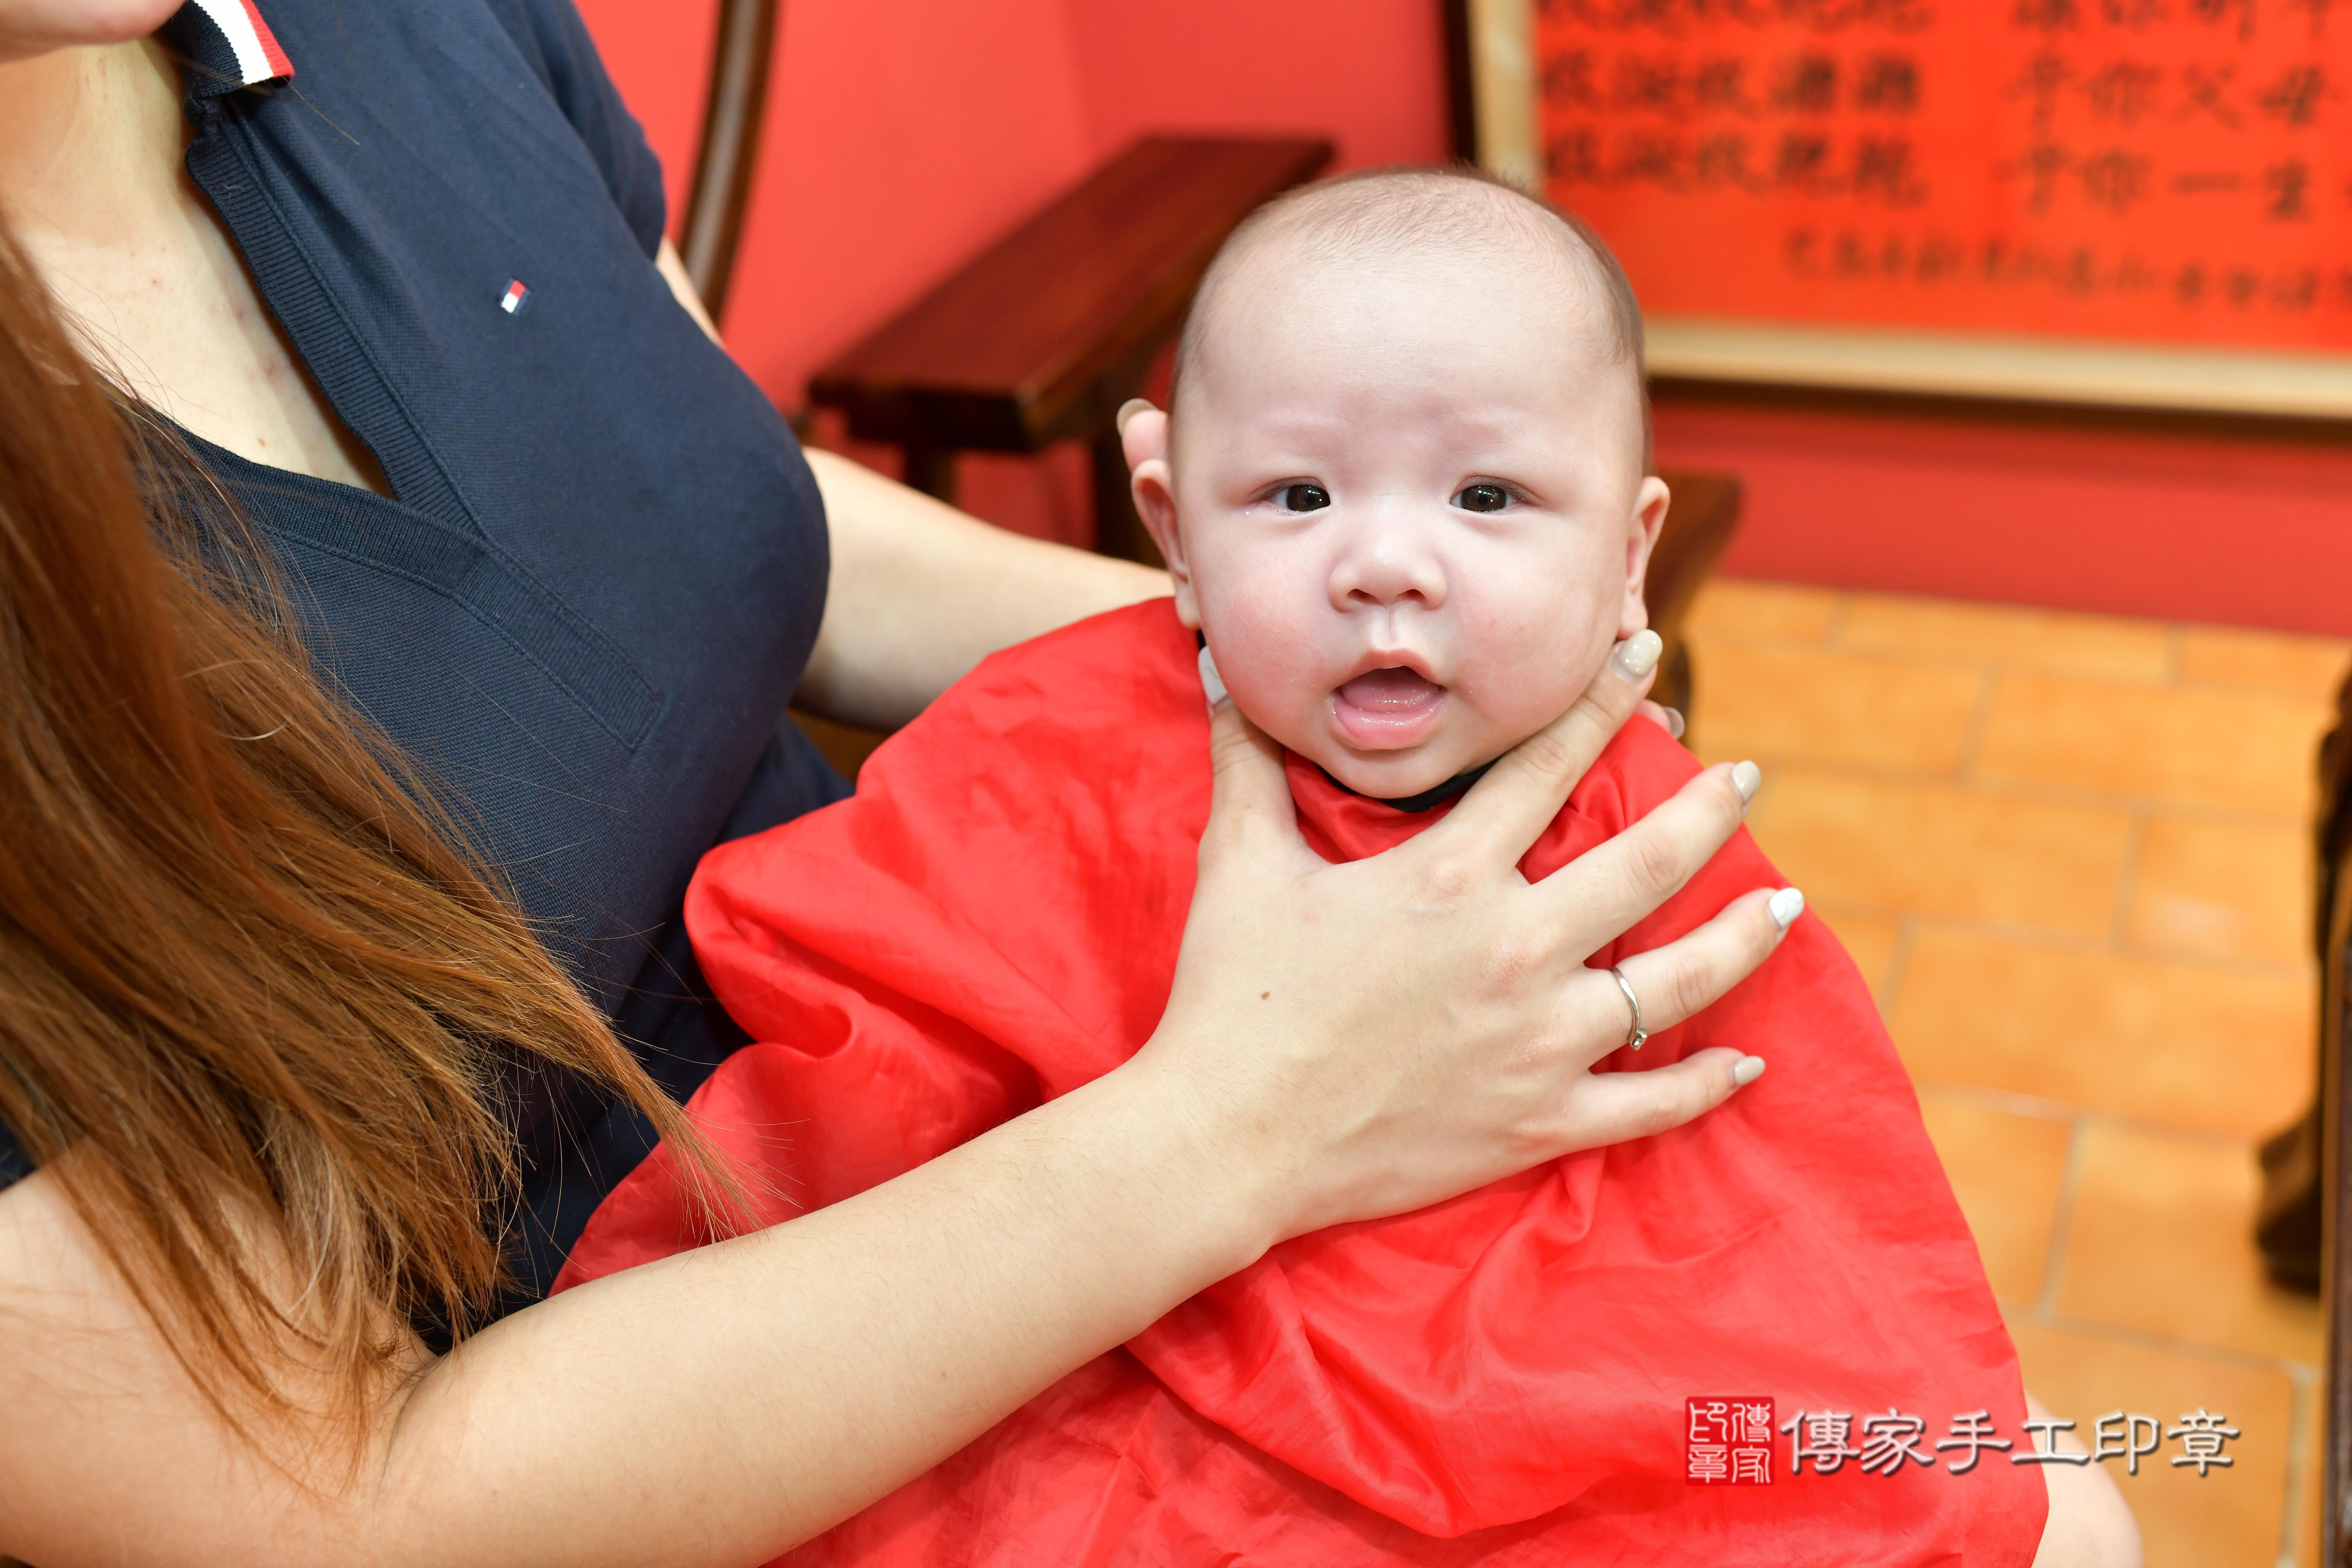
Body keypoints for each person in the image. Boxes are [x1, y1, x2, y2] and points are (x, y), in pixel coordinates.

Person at [0, 3, 1806, 1562]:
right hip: (670, 1408)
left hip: (1012, 1068)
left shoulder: (414, 31)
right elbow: (339, 1501)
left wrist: (1373, 700)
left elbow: (710, 512)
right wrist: (1250, 1122)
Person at [561, 171, 2141, 1565]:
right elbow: (860, 1096)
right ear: (1174, 521)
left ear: (1629, 550)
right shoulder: (1040, 758)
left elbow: (1767, 1221)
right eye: (1299, 497)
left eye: (1489, 497)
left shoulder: (1646, 834)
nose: (1385, 562)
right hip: (1099, 1371)